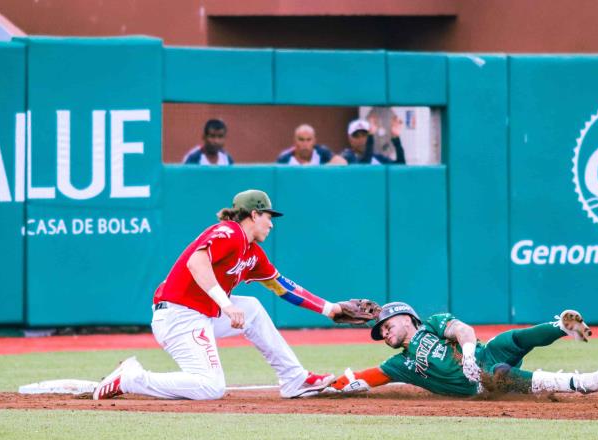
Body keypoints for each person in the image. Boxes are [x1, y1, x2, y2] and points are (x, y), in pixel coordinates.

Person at [93, 189, 374, 401]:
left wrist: (330, 309)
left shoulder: (252, 252)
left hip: (199, 314)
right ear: (254, 214)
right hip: (178, 315)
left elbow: (282, 286)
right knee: (211, 387)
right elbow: (196, 262)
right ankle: (132, 379)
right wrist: (226, 305)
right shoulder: (228, 232)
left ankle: (294, 379)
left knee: (251, 308)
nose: (271, 224)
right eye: (268, 216)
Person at [329, 302, 598, 397]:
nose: (383, 332)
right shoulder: (401, 363)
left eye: (386, 325)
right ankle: (578, 383)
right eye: (380, 333)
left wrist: (470, 354)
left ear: (406, 317)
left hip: (483, 356)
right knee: (500, 374)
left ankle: (563, 326)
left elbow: (462, 330)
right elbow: (368, 376)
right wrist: (333, 385)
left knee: (510, 340)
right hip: (479, 385)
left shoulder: (431, 324)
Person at [341, 116, 406, 165]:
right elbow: (364, 167)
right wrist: (371, 137)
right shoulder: (346, 156)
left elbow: (400, 168)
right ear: (350, 139)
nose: (361, 139)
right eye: (356, 136)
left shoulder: (377, 157)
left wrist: (396, 139)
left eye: (364, 135)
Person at [276, 124, 347, 165]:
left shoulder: (321, 152)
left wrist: (315, 170)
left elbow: (343, 162)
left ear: (314, 141)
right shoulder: (284, 158)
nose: (305, 144)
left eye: (308, 140)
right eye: (301, 139)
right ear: (295, 141)